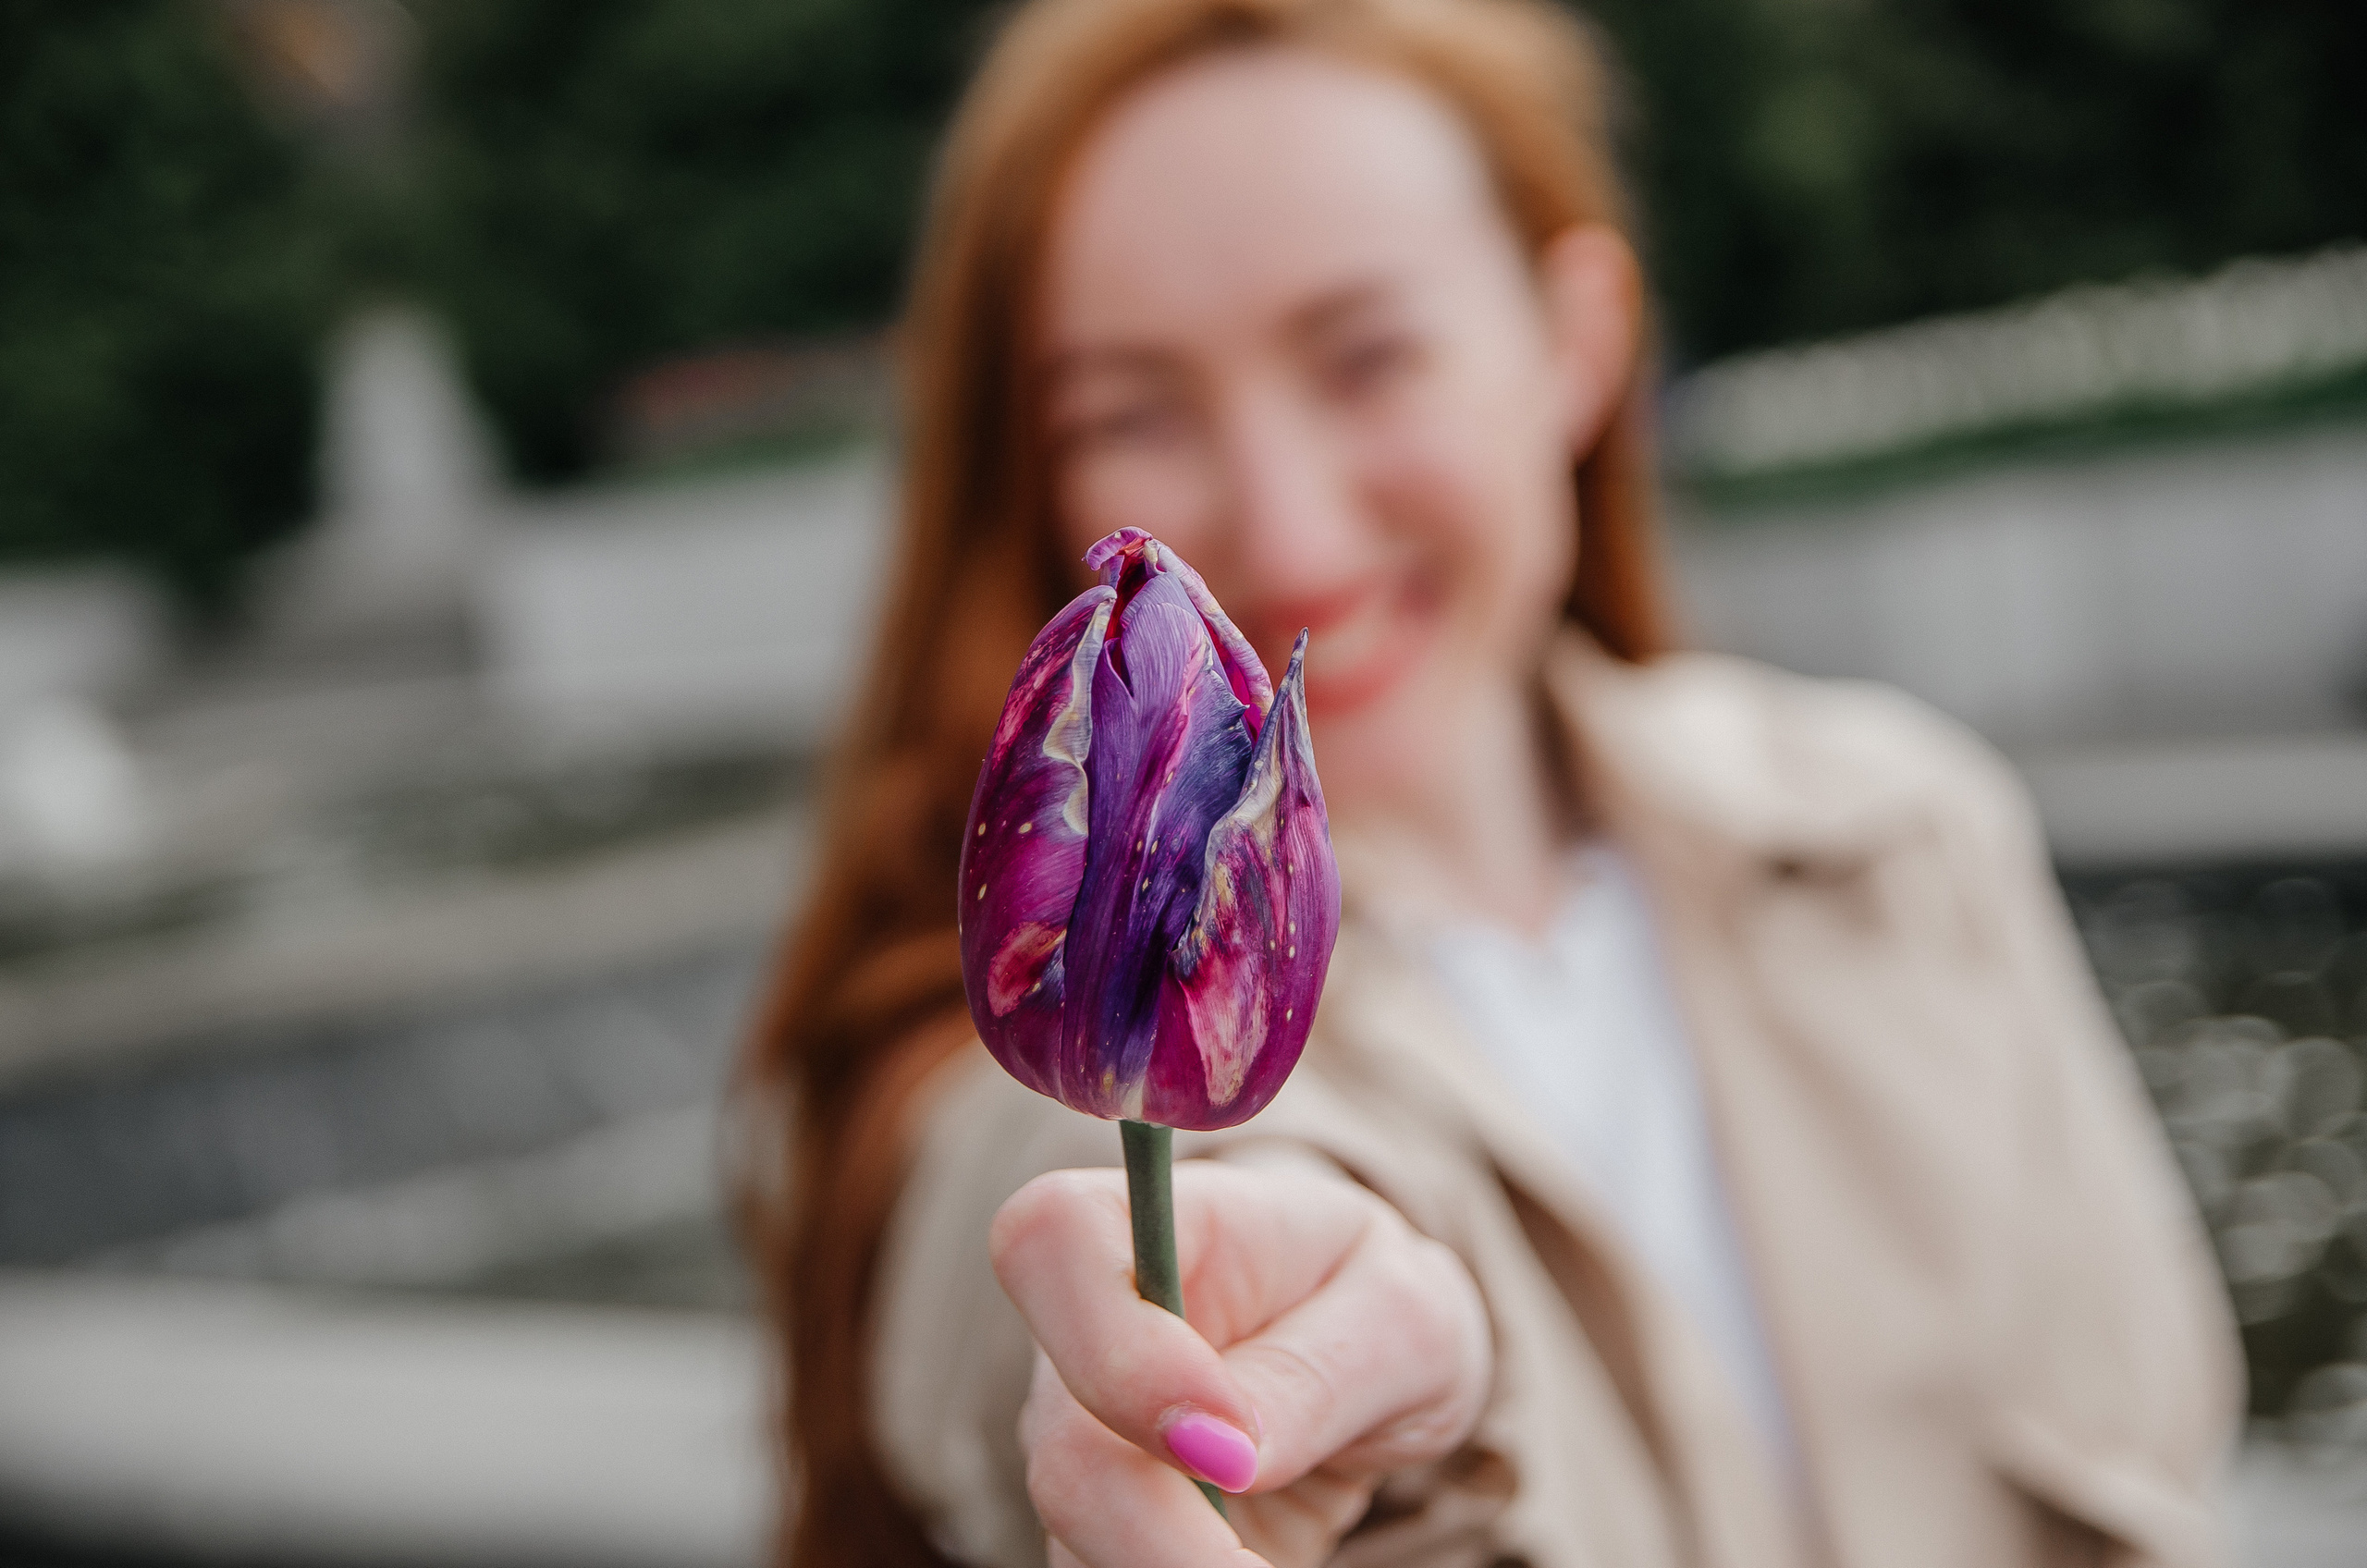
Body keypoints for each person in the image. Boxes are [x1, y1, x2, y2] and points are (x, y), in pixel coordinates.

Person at [737, 0, 2242, 1563]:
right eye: (1132, 413)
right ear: (1032, 474)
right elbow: (1049, 1261)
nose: (1293, 532)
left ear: (1575, 344)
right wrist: (1253, 1347)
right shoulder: (1019, 1044)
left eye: (1369, 356)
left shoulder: (1904, 831)